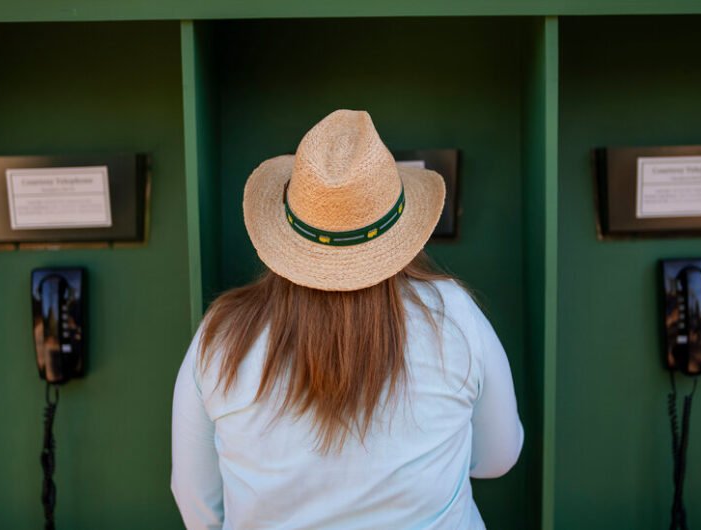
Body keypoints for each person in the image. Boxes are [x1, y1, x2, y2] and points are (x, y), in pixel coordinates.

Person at [171, 109, 524, 529]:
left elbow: (197, 504)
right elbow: (498, 458)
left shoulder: (222, 334)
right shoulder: (453, 314)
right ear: (400, 229)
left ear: (285, 231)